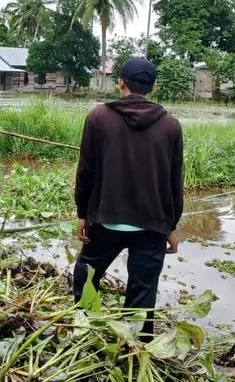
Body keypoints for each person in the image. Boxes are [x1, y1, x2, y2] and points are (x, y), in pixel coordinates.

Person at [73, 57, 184, 336]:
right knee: (143, 293)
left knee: (85, 276)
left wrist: (82, 214)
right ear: (153, 87)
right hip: (151, 226)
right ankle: (137, 348)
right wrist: (170, 227)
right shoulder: (171, 125)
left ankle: (85, 332)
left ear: (120, 82)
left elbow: (86, 171)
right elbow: (175, 182)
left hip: (106, 220)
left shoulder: (98, 117)